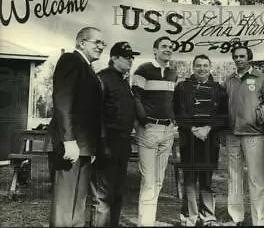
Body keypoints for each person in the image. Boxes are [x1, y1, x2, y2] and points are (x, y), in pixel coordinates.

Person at [48, 27, 106, 227]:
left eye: (103, 43)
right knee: (65, 205)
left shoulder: (88, 68)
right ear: (81, 42)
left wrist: (90, 148)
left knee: (78, 203)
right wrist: (69, 141)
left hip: (84, 147)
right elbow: (63, 102)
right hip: (71, 145)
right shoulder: (71, 61)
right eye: (96, 42)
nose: (101, 46)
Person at [173, 54, 228, 227]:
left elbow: (223, 115)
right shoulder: (182, 87)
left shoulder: (219, 89)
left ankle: (208, 217)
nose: (202, 68)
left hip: (210, 140)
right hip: (188, 139)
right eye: (198, 65)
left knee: (206, 180)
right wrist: (193, 129)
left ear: (210, 67)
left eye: (205, 65)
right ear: (193, 67)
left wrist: (207, 128)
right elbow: (177, 112)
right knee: (189, 179)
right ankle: (190, 217)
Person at [90, 42, 140, 227]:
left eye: (131, 56)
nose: (130, 60)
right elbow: (96, 114)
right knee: (102, 196)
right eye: (126, 57)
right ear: (113, 58)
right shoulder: (102, 79)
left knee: (118, 193)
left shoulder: (123, 80)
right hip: (106, 143)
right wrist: (103, 144)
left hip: (122, 144)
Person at [223, 46, 264, 226]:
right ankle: (236, 217)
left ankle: (260, 220)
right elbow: (224, 105)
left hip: (254, 134)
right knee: (234, 177)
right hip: (232, 135)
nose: (238, 59)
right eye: (235, 57)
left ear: (249, 58)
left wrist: (260, 116)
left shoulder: (261, 77)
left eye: (242, 56)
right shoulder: (229, 80)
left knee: (255, 178)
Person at [131, 36, 178, 226]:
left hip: (167, 131)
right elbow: (135, 98)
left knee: (158, 180)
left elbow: (172, 101)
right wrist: (144, 121)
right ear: (155, 50)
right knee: (149, 180)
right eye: (164, 46)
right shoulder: (143, 69)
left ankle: (149, 219)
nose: (168, 49)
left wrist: (173, 124)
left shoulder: (173, 72)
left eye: (170, 47)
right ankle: (146, 223)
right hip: (148, 130)